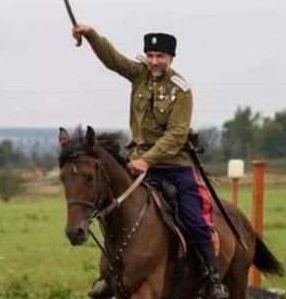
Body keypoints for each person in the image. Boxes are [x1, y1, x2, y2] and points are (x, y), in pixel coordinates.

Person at [71, 24, 229, 299]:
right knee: (111, 208)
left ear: (171, 59)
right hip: (137, 160)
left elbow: (177, 134)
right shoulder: (139, 74)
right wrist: (90, 35)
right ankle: (113, 275)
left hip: (174, 164)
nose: (155, 61)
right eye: (151, 55)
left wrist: (148, 160)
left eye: (161, 56)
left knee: (193, 219)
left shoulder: (182, 90)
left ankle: (212, 278)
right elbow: (112, 59)